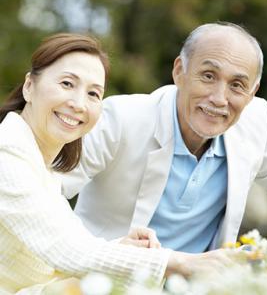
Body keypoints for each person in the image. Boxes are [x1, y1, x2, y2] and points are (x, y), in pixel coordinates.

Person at [0, 33, 231, 295]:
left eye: (93, 93)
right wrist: (179, 262)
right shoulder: (6, 153)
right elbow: (65, 250)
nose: (78, 104)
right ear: (29, 86)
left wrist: (122, 248)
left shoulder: (42, 165)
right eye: (67, 83)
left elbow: (73, 244)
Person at [62, 22, 267, 253]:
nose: (219, 98)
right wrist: (104, 250)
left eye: (237, 85)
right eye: (208, 76)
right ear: (179, 71)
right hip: (105, 280)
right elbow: (44, 190)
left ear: (252, 92)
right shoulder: (120, 119)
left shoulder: (256, 121)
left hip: (200, 285)